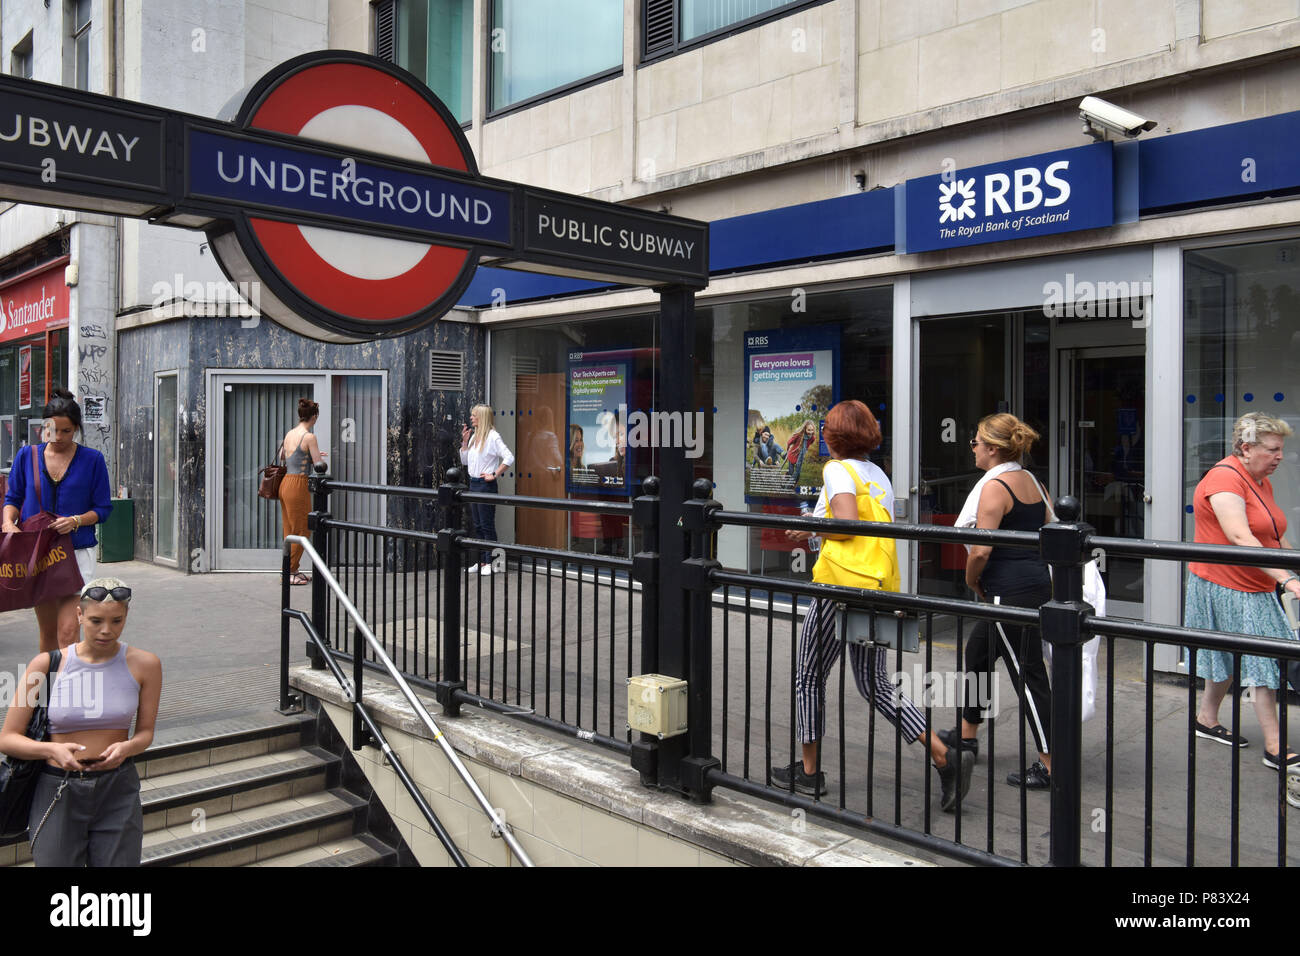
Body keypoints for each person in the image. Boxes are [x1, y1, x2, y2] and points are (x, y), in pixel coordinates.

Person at [772, 400, 973, 811]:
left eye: (826, 428)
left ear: (835, 435)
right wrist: (813, 529)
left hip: (840, 587)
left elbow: (845, 525)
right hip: (876, 584)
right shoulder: (877, 473)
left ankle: (808, 775)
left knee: (809, 675)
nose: (823, 435)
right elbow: (859, 530)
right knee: (875, 684)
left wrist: (810, 524)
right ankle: (942, 754)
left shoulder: (836, 469)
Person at [0, 578, 161, 866]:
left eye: (117, 621)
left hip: (118, 786)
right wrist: (50, 751)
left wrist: (127, 748)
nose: (106, 630)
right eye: (96, 620)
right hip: (57, 787)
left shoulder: (146, 664)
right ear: (79, 615)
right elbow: (8, 738)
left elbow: (146, 733)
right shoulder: (46, 664)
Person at [1186, 412, 1300, 778]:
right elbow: (1240, 537)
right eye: (1273, 449)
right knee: (1265, 662)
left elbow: (1274, 534)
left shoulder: (1259, 478)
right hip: (1226, 584)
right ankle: (1274, 747)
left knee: (1229, 656)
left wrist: (1294, 570)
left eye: (1281, 449)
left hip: (1254, 582)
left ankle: (1206, 718)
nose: (1280, 456)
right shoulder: (1223, 478)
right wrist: (1286, 580)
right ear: (1246, 448)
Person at [948, 413, 1053, 790]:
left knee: (1029, 677)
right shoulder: (1033, 482)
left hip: (1007, 593)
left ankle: (1051, 763)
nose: (972, 447)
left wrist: (971, 580)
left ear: (992, 449)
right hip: (1034, 584)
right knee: (977, 652)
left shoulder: (994, 487)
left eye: (976, 442)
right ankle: (966, 735)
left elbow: (980, 550)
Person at [2, 388, 112, 651]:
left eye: (67, 431)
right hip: (39, 554)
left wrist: (76, 520)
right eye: (52, 430)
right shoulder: (26, 456)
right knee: (48, 633)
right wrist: (8, 523)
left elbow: (103, 509)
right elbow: (12, 498)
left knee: (68, 631)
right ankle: (51, 688)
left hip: (76, 553)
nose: (59, 437)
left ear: (76, 429)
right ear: (44, 427)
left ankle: (68, 688)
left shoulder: (92, 460)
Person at [460, 404, 514, 576]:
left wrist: (494, 474)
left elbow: (509, 457)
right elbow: (465, 462)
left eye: (474, 415)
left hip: (485, 485)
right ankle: (482, 561)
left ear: (482, 417)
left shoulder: (493, 436)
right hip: (473, 483)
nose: (471, 418)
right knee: (477, 526)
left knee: (487, 525)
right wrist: (464, 442)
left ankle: (490, 563)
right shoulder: (475, 436)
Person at [280, 398, 327, 586]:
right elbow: (319, 465)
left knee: (289, 529)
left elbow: (285, 456)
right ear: (314, 416)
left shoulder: (290, 433)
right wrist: (319, 457)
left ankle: (292, 569)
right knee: (302, 529)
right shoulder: (309, 437)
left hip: (285, 483)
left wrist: (307, 455)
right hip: (298, 484)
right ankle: (289, 572)